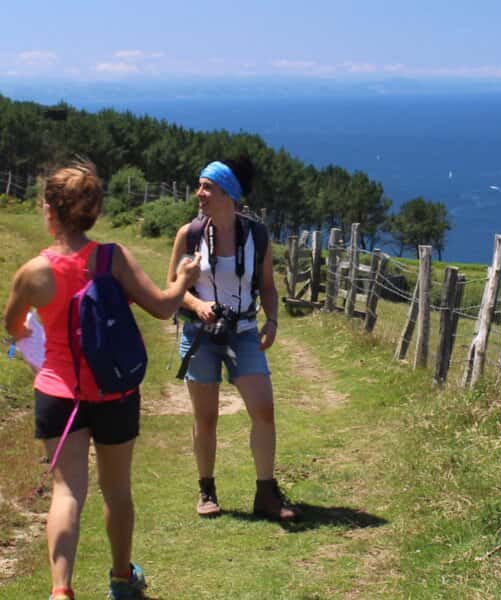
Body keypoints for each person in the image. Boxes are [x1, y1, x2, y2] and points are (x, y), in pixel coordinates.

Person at [2, 161, 201, 600]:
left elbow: (12, 326)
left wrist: (27, 336)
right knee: (117, 491)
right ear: (92, 212)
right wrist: (184, 279)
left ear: (50, 211)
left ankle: (60, 590)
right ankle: (120, 579)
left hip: (58, 394)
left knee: (67, 490)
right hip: (115, 392)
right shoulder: (113, 259)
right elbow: (165, 308)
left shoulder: (34, 272)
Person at [168, 156, 298, 521]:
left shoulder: (257, 235)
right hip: (200, 334)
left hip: (242, 331)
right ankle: (206, 490)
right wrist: (198, 304)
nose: (200, 194)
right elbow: (173, 288)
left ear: (229, 193)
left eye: (207, 187)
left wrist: (271, 321)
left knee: (263, 410)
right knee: (205, 417)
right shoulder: (189, 235)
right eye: (200, 186)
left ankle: (266, 493)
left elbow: (269, 288)